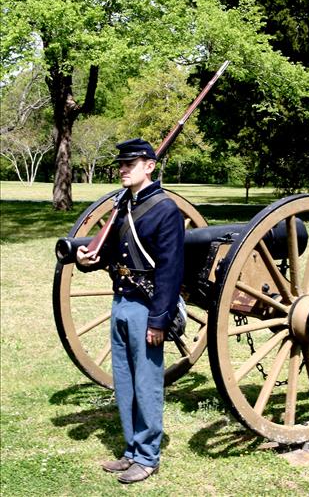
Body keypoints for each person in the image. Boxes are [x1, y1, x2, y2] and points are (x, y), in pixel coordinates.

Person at [76, 138, 185, 484]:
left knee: (147, 383)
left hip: (146, 307)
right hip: (120, 302)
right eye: (121, 165)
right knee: (124, 382)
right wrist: (87, 260)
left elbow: (169, 270)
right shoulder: (124, 203)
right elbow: (112, 250)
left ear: (149, 166)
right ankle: (131, 449)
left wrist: (158, 320)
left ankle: (148, 456)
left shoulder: (165, 210)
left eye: (130, 164)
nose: (123, 169)